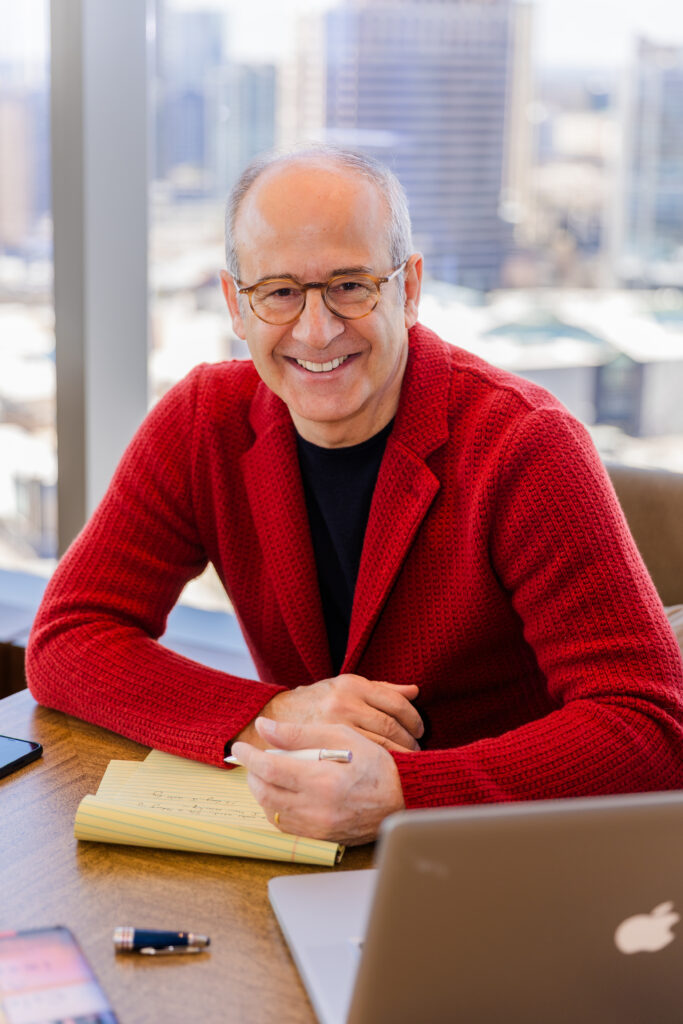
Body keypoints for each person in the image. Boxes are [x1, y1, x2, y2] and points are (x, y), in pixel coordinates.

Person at [27, 147, 683, 847]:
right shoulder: (202, 422)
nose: (315, 330)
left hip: (502, 855)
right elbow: (69, 637)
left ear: (408, 288)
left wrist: (404, 793)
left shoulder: (526, 444)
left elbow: (647, 724)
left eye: (350, 285)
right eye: (278, 291)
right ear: (234, 304)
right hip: (303, 839)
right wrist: (278, 713)